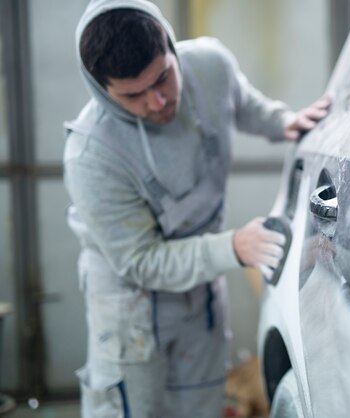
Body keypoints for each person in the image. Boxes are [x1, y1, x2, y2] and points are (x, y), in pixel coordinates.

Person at [63, 1, 330, 417]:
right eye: (133, 95)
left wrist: (282, 122)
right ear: (102, 90)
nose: (156, 101)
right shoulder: (92, 156)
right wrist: (233, 248)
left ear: (170, 45)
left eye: (163, 78)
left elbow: (240, 103)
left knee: (201, 406)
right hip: (131, 307)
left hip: (200, 291)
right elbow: (141, 260)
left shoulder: (209, 64)